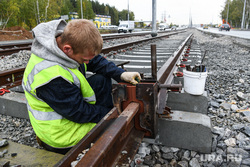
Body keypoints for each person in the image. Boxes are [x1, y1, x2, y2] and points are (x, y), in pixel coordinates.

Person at [22, 19, 141, 154]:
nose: (88, 62)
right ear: (67, 49)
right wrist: (113, 115)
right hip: (61, 134)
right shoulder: (51, 77)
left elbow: (95, 60)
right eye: (85, 60)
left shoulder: (69, 43)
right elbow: (79, 112)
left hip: (67, 105)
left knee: (101, 80)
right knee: (110, 126)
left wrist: (121, 74)